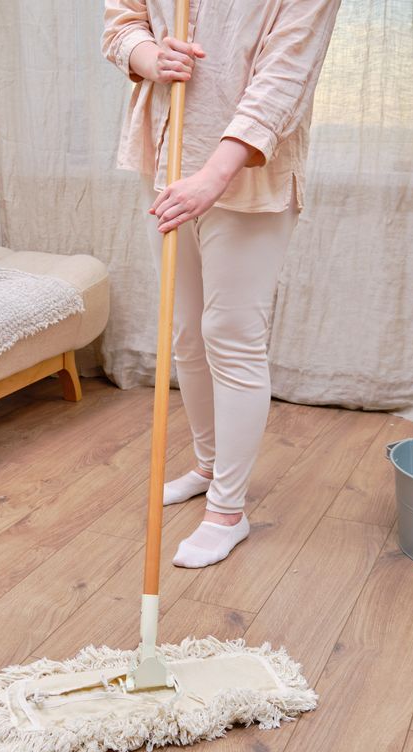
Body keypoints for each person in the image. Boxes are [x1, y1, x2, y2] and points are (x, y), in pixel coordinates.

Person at [103, 0, 340, 567]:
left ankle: (229, 511)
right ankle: (208, 469)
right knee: (186, 333)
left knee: (231, 334)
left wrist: (213, 176)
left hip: (245, 176)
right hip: (168, 159)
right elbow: (122, 20)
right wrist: (149, 55)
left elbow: (284, 78)